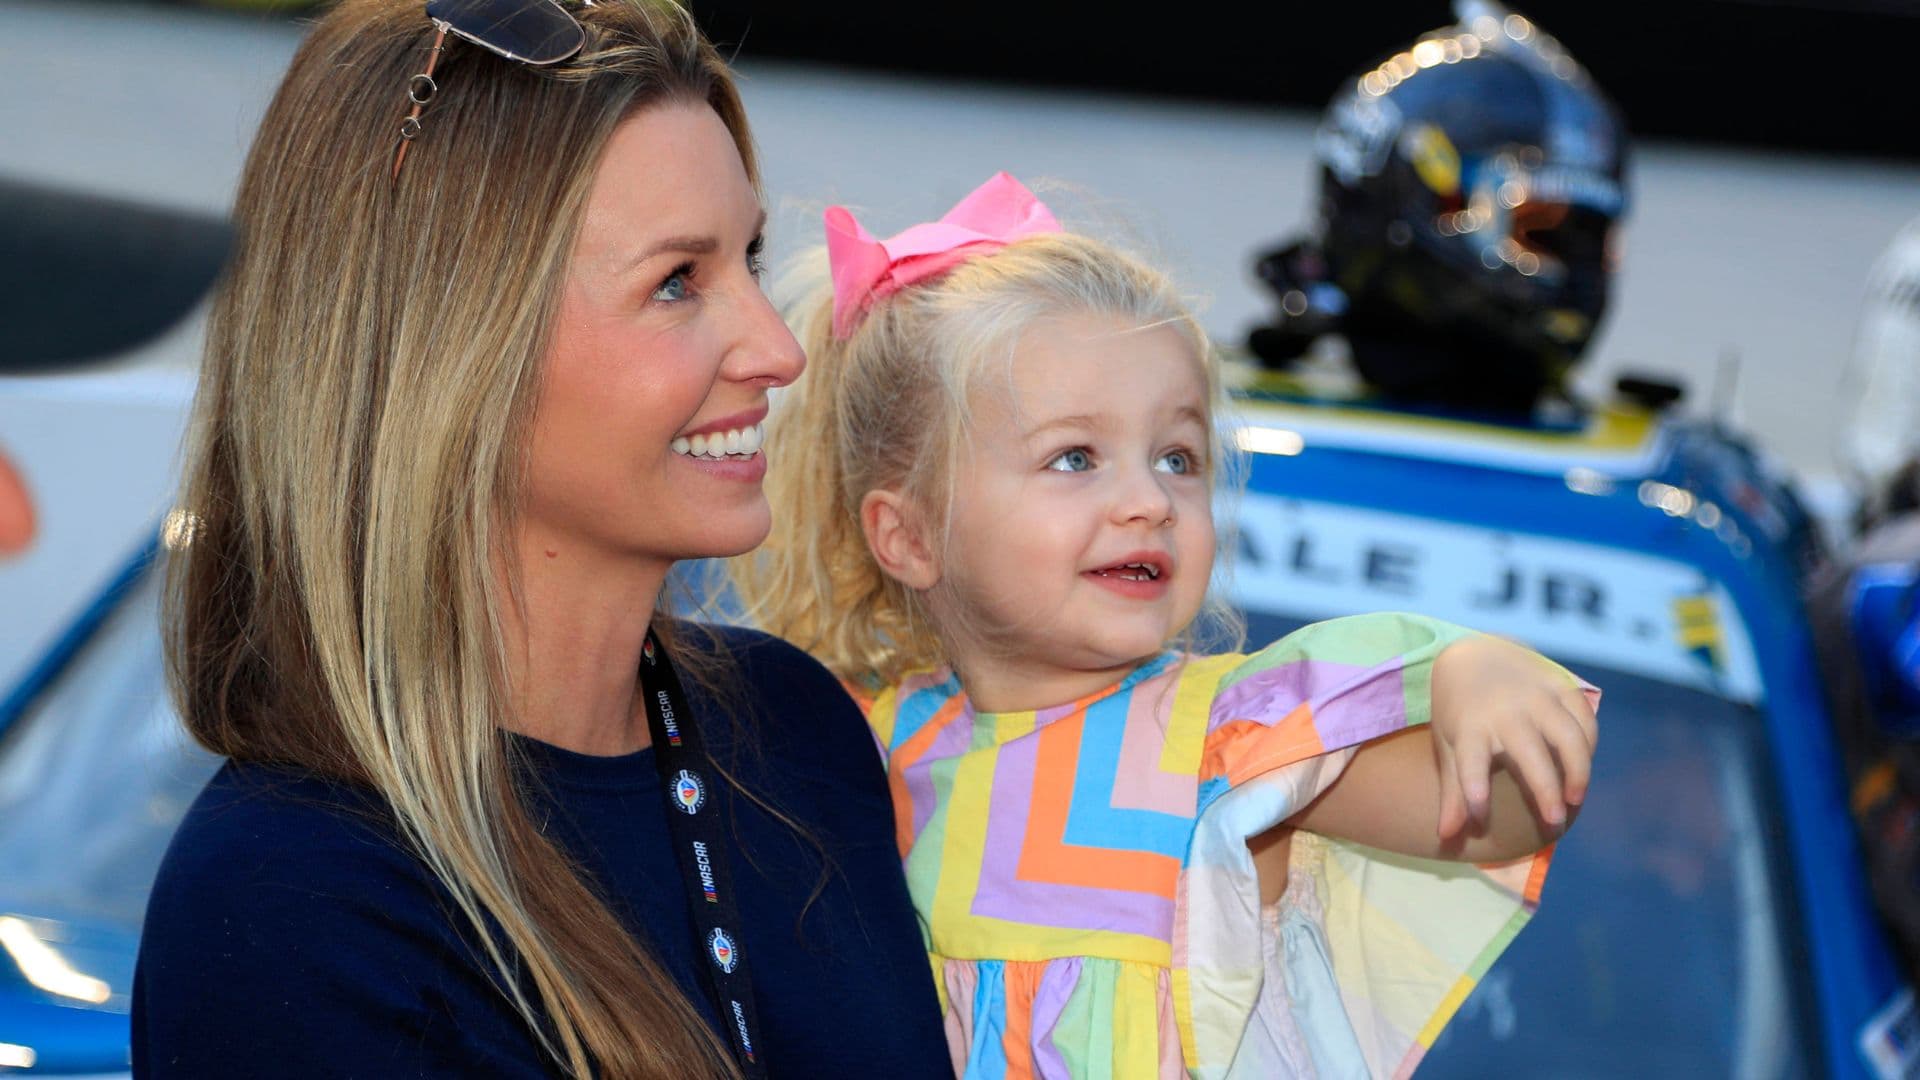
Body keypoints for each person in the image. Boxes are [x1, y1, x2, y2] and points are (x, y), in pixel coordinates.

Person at [133, 2, 949, 1077]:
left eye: (750, 257)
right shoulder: (291, 898)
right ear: (448, 348)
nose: (774, 349)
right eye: (675, 282)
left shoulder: (796, 737)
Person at [732, 172, 1600, 1077]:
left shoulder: (1222, 743)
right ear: (907, 536)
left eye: (1177, 457)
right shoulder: (858, 754)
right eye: (1075, 458)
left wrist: (1473, 674)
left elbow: (1492, 817)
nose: (1148, 501)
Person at [1246, 1, 1630, 418]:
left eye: (1592, 237)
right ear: (1437, 209)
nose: (1581, 273)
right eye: (1539, 230)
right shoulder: (1230, 438)